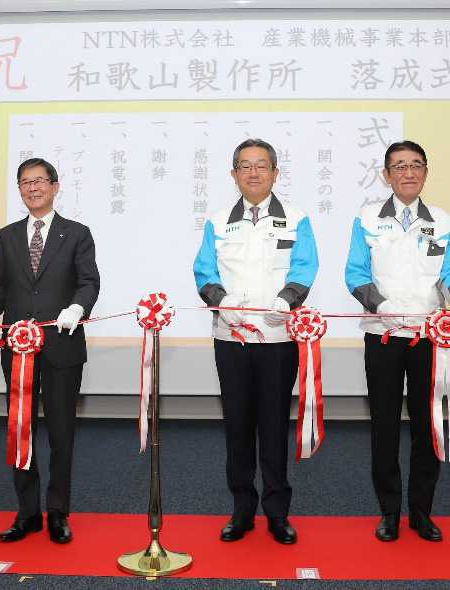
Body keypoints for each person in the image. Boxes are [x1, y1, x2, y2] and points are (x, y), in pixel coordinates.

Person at [344, 140, 450, 543]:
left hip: (430, 337)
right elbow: (355, 273)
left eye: (416, 165)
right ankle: (389, 512)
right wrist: (380, 305)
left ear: (425, 172)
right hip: (383, 336)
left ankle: (421, 510)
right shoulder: (367, 219)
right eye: (399, 166)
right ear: (386, 175)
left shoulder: (442, 220)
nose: (408, 172)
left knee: (427, 424)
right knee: (384, 425)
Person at [193, 138, 319, 545]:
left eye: (261, 165)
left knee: (273, 424)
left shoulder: (296, 218)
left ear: (275, 173)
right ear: (234, 175)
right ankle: (242, 509)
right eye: (244, 166)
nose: (253, 172)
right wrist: (221, 301)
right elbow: (203, 271)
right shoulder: (217, 221)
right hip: (231, 339)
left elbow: (305, 266)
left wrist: (287, 300)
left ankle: (278, 513)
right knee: (238, 426)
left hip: (279, 338)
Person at [0, 157, 100, 544]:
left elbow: (89, 282)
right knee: (21, 430)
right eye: (25, 182)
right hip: (16, 349)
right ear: (19, 190)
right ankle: (26, 513)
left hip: (62, 346)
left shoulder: (77, 233)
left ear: (55, 186)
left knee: (62, 434)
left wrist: (77, 309)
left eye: (39, 181)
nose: (33, 188)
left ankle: (58, 513)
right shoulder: (6, 235)